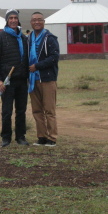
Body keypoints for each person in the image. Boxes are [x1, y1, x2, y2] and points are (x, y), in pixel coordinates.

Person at [0, 9, 29, 147]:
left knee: (21, 110)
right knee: (7, 111)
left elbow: (27, 59)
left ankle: (20, 137)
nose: (13, 20)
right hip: (7, 81)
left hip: (22, 80)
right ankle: (6, 137)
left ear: (18, 20)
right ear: (6, 20)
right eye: (10, 18)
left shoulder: (23, 38)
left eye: (15, 18)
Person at [27, 12, 60, 147]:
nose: (37, 22)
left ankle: (52, 138)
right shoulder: (28, 39)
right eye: (34, 20)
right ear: (31, 22)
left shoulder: (50, 38)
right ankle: (41, 137)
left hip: (47, 79)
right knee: (36, 110)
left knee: (49, 110)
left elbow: (54, 57)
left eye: (39, 20)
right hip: (33, 79)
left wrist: (37, 66)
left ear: (44, 21)